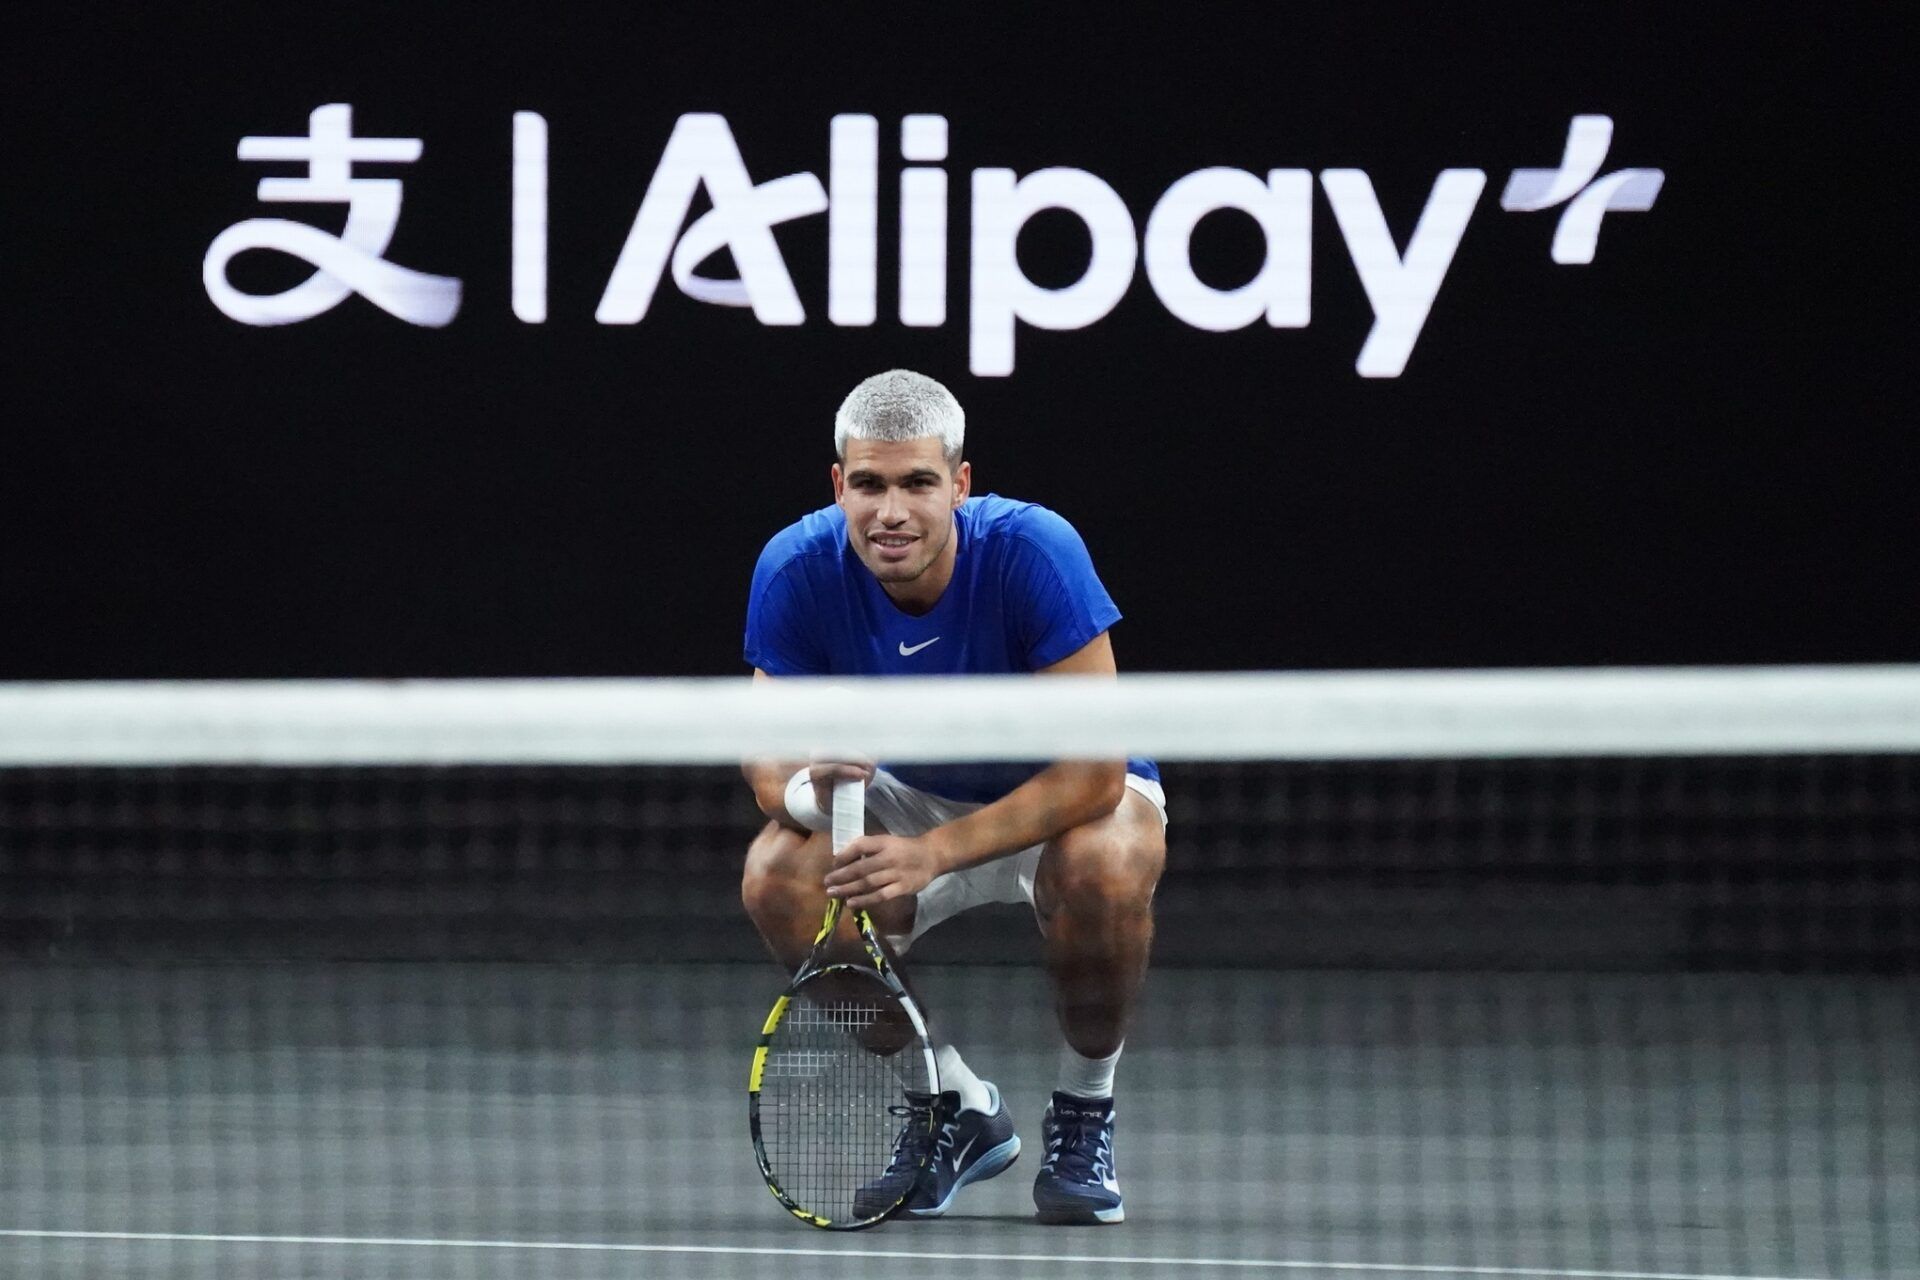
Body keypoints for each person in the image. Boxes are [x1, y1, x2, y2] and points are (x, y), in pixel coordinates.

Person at [740, 369, 1167, 1225]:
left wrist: (932, 854)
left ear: (959, 483)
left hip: (1058, 801)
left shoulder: (1035, 550)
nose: (890, 511)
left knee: (1108, 865)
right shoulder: (795, 567)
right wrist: (818, 792)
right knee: (776, 879)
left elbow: (1095, 771)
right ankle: (952, 1103)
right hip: (909, 795)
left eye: (916, 484)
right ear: (839, 485)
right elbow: (765, 767)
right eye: (869, 485)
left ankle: (1085, 1108)